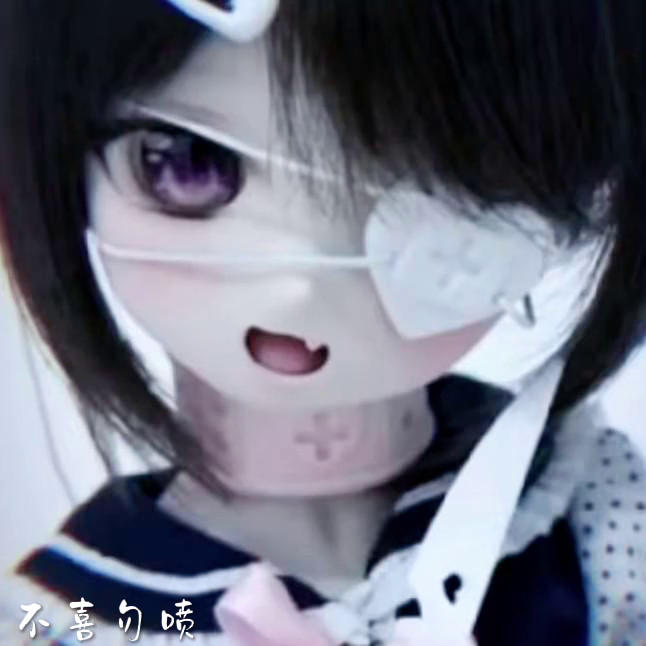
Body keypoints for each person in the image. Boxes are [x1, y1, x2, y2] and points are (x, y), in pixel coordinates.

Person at [0, 0, 644, 643]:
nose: (298, 285)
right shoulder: (69, 620)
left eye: (434, 176)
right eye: (188, 162)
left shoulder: (590, 513)